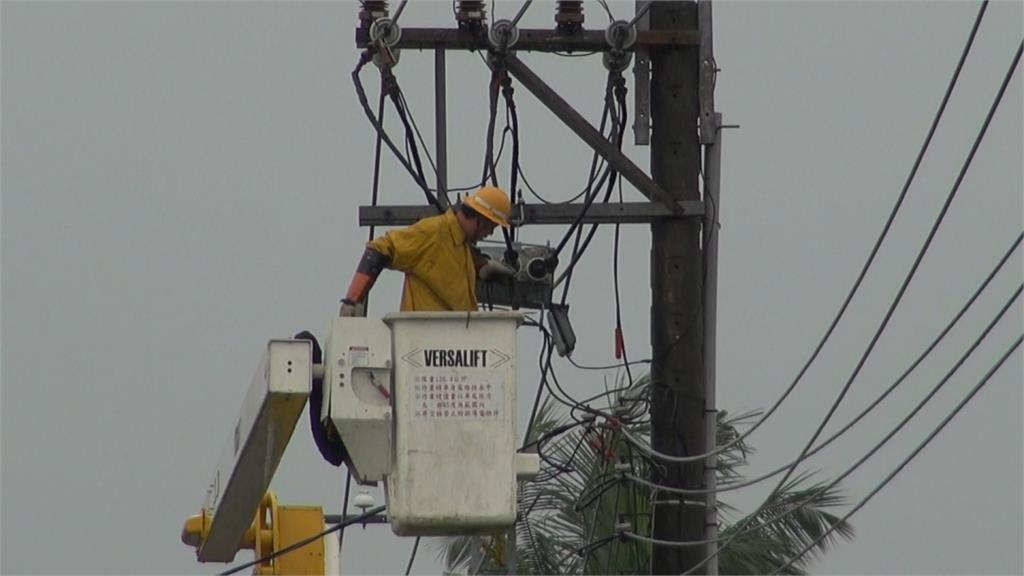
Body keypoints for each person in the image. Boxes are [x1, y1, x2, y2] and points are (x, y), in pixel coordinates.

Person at [339, 186, 517, 316]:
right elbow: (379, 249)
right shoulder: (432, 233)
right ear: (481, 221)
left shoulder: (461, 246)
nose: (489, 234)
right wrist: (351, 301)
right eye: (491, 228)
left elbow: (449, 266)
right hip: (425, 341)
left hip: (455, 346)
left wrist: (483, 266)